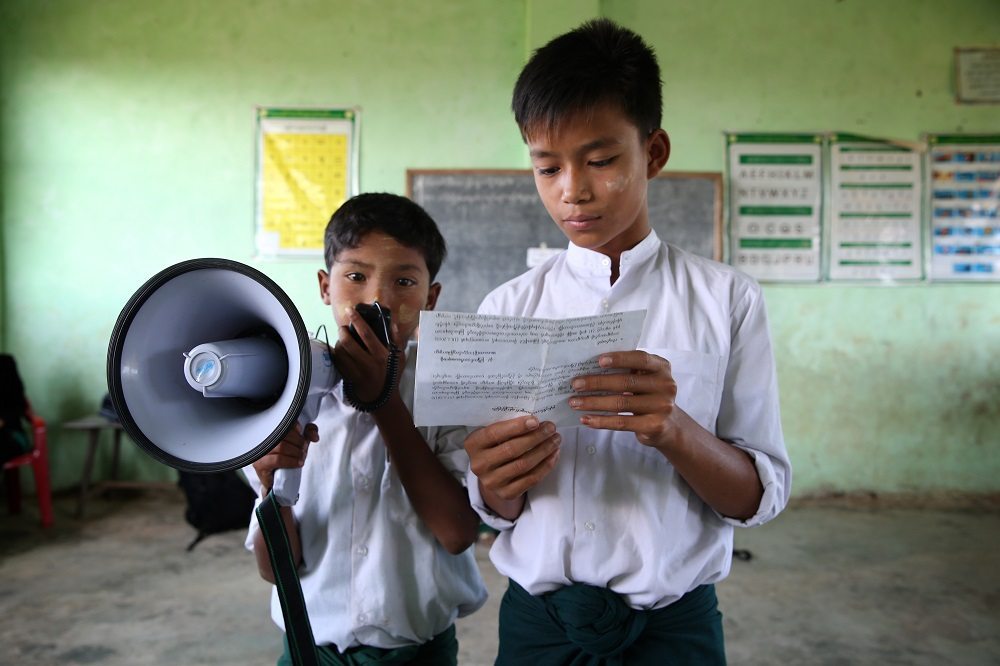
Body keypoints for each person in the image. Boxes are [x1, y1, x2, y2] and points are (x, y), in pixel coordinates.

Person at [462, 19, 792, 665]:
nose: (573, 191)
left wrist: (674, 429)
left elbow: (758, 496)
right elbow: (497, 511)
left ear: (655, 152)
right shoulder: (508, 308)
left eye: (602, 160)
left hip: (673, 630)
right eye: (547, 166)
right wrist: (495, 480)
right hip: (540, 629)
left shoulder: (727, 300)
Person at [243, 193, 487, 665]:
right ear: (325, 286)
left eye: (404, 280)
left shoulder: (448, 390)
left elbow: (457, 533)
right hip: (309, 653)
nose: (378, 299)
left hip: (418, 655)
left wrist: (383, 400)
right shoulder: (285, 396)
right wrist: (273, 484)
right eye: (355, 276)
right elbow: (276, 570)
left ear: (430, 298)